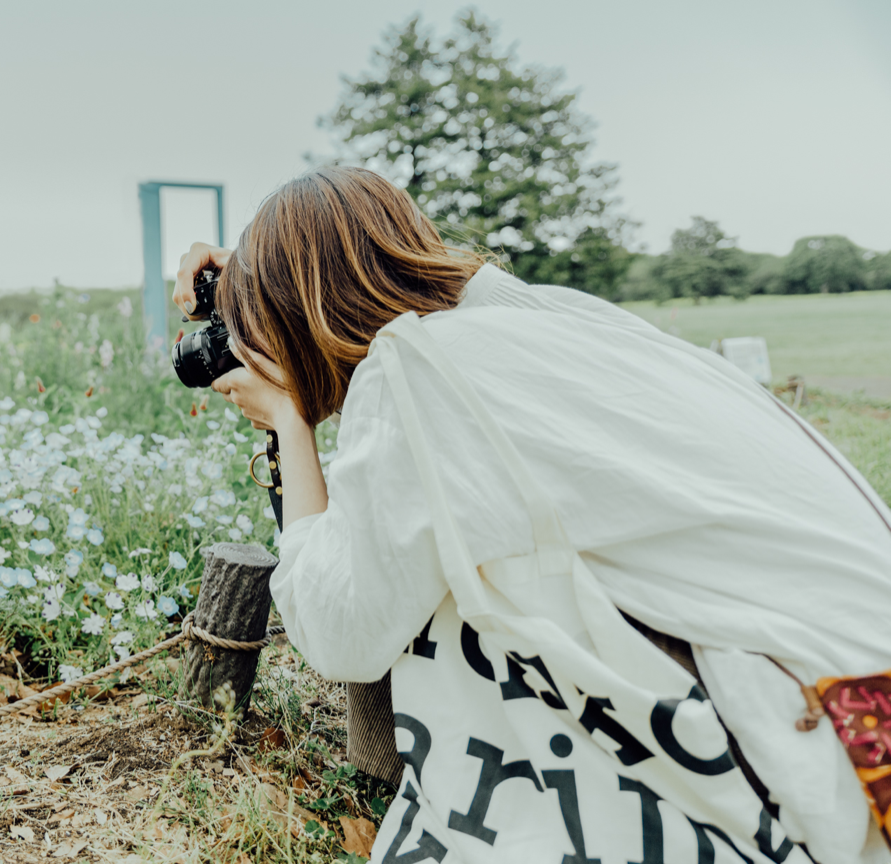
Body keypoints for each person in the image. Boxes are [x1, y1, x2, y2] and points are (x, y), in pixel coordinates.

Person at [173, 166, 891, 864]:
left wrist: (290, 425)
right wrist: (271, 270)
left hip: (813, 744)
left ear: (294, 308)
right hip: (858, 672)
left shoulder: (412, 372)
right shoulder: (560, 321)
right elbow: (475, 293)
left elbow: (338, 630)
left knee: (448, 584)